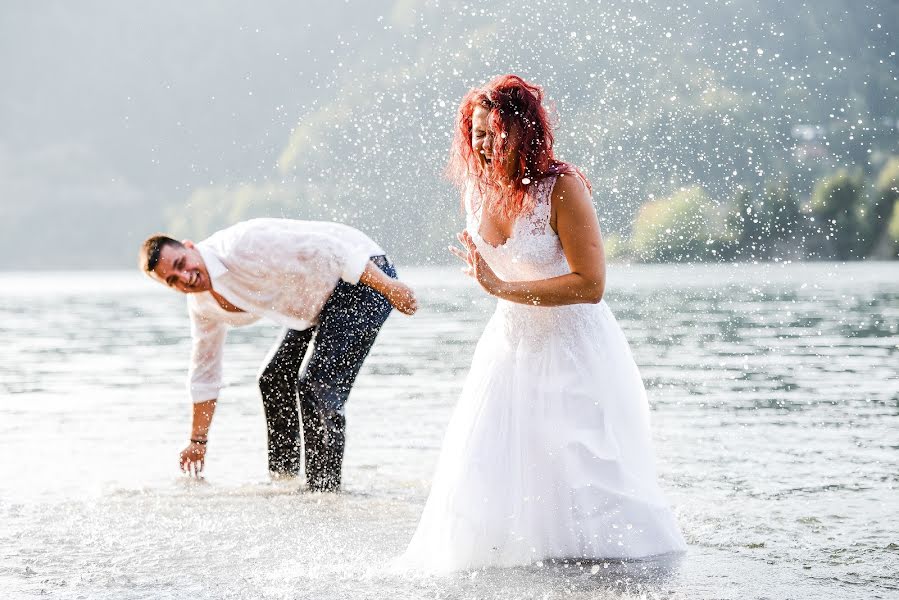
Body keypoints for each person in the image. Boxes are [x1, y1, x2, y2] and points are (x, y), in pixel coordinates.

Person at [399, 75, 686, 571]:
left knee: (581, 464)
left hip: (573, 345)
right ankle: (511, 563)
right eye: (478, 133)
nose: (486, 144)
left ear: (523, 128)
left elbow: (591, 285)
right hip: (508, 346)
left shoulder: (562, 187)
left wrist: (503, 288)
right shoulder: (476, 189)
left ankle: (604, 569)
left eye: (496, 131)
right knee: (489, 462)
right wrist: (494, 283)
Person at [139, 218, 417, 491]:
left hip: (362, 276)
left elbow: (334, 250)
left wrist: (390, 287)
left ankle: (323, 493)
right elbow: (205, 371)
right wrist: (197, 441)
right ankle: (284, 482)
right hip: (313, 299)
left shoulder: (243, 244)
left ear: (189, 246)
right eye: (173, 280)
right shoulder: (201, 305)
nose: (186, 277)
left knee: (317, 385)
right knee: (273, 378)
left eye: (181, 264)